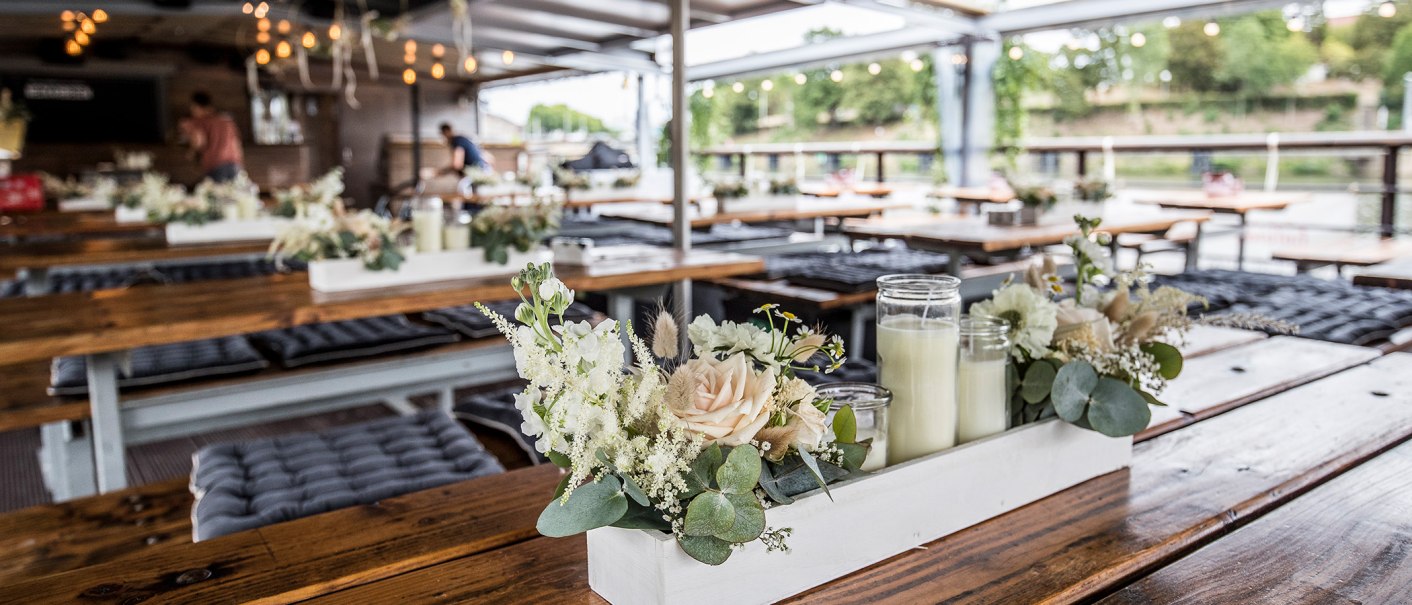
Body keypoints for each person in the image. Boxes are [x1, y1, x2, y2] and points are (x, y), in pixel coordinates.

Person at [183, 91, 244, 183]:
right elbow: (237, 143)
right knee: (233, 194)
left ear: (197, 107)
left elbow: (198, 140)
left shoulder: (201, 121)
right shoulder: (227, 121)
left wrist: (191, 153)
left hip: (215, 163)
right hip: (234, 163)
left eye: (193, 108)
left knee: (215, 194)